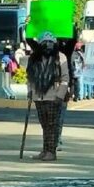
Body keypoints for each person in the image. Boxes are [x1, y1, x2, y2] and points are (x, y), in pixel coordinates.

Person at [26, 32, 69, 162]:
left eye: (51, 43)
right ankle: (45, 150)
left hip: (54, 96)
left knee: (52, 124)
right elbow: (30, 77)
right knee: (44, 125)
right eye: (45, 43)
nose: (48, 45)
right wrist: (30, 92)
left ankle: (51, 151)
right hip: (39, 96)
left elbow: (65, 78)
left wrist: (60, 95)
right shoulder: (34, 58)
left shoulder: (60, 57)